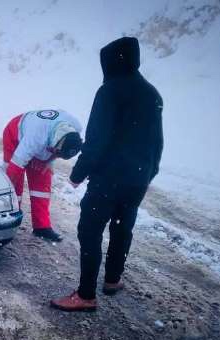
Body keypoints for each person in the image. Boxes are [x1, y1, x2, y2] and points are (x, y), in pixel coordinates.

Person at [51, 37, 163, 312]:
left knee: (89, 231)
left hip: (109, 178)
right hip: (137, 177)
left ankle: (86, 295)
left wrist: (78, 173)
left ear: (111, 62)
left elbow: (97, 139)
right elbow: (157, 141)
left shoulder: (110, 91)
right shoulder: (152, 94)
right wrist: (149, 173)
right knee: (122, 228)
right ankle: (113, 280)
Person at [3, 109, 83, 242]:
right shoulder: (35, 137)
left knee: (42, 186)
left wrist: (49, 160)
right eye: (57, 153)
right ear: (55, 143)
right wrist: (6, 192)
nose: (56, 157)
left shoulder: (75, 128)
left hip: (46, 142)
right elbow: (14, 169)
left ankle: (42, 227)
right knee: (14, 185)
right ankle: (10, 218)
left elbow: (60, 149)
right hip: (15, 135)